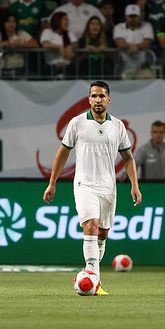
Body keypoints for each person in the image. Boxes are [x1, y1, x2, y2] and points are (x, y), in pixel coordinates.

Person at [43, 80, 141, 294]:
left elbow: (128, 157)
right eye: (94, 96)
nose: (98, 100)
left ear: (109, 99)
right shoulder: (77, 123)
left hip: (108, 187)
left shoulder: (118, 126)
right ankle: (94, 281)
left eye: (101, 96)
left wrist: (134, 184)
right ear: (89, 99)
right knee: (91, 227)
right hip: (84, 184)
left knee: (102, 234)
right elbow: (63, 152)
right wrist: (52, 183)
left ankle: (91, 275)